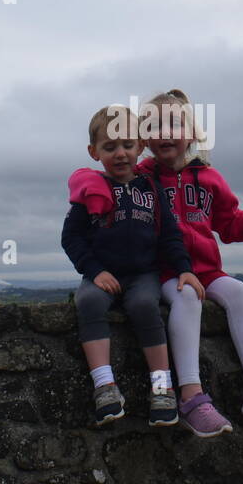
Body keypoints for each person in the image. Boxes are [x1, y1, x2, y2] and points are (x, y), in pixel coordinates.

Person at [136, 89, 243, 437]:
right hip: (163, 273)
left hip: (207, 269)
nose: (165, 134)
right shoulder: (140, 179)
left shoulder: (209, 177)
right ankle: (191, 396)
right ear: (145, 139)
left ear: (191, 133)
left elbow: (230, 224)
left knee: (237, 291)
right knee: (189, 297)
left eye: (174, 125)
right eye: (155, 127)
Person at [60, 104, 205, 427]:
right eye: (110, 147)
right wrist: (95, 271)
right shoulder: (90, 193)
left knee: (143, 306)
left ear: (140, 147)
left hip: (143, 275)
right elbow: (72, 238)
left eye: (128, 145)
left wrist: (184, 268)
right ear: (94, 152)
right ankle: (105, 386)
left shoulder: (150, 190)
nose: (121, 154)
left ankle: (161, 388)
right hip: (102, 274)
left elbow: (169, 235)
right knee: (89, 302)